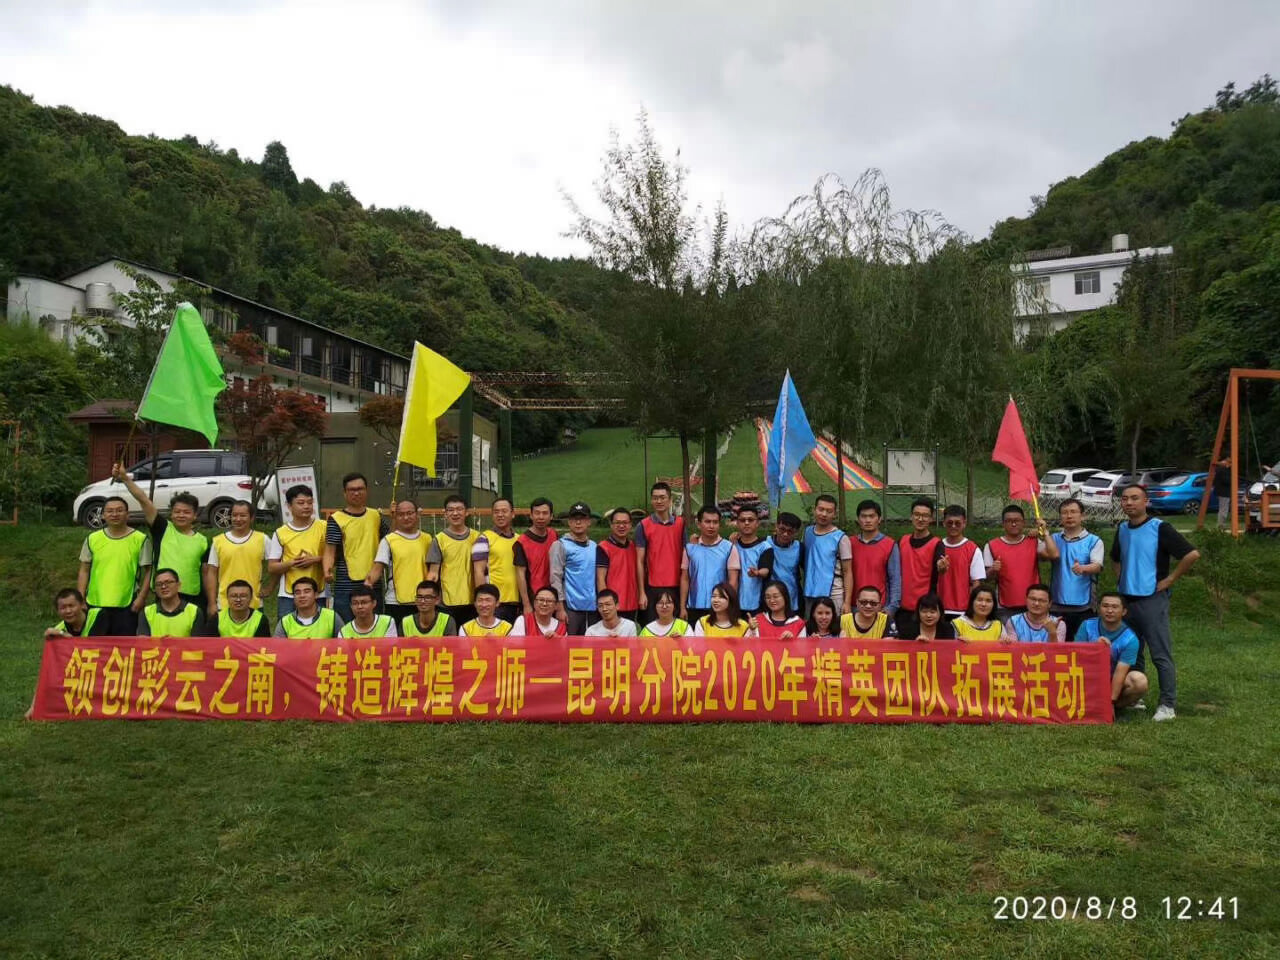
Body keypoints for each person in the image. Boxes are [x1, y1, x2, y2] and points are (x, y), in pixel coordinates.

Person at [1111, 483, 1200, 722]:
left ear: (1146, 501)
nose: (1129, 503)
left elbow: (1191, 554)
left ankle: (1167, 704)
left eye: (1135, 498)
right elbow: (1115, 558)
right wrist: (1120, 579)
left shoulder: (1160, 528)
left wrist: (1170, 579)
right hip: (1127, 600)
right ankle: (1136, 697)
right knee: (1132, 650)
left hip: (1152, 599)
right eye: (1125, 499)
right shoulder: (1122, 529)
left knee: (1160, 653)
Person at [114, 463, 208, 606]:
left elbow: (206, 574)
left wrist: (211, 602)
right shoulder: (162, 528)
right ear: (171, 513)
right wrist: (125, 478)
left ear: (195, 515)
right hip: (164, 593)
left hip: (193, 596)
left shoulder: (203, 541)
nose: (181, 515)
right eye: (177, 512)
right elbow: (143, 500)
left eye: (186, 512)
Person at [78, 495, 153, 635]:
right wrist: (80, 598)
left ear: (127, 514)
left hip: (127, 604)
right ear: (103, 515)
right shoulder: (92, 539)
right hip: (95, 603)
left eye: (119, 510)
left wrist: (141, 598)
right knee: (96, 646)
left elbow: (149, 571)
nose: (114, 514)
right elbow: (84, 570)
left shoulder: (140, 539)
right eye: (110, 511)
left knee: (124, 646)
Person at [324, 472, 389, 625]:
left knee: (374, 626)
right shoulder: (336, 519)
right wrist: (327, 570)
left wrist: (395, 515)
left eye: (360, 489)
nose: (356, 493)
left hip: (373, 581)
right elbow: (330, 550)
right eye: (352, 490)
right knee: (345, 626)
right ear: (344, 493)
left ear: (367, 491)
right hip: (346, 583)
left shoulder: (376, 516)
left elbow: (390, 539)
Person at [1041, 498, 1105, 641]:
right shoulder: (1053, 539)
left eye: (1073, 512)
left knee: (1083, 646)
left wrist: (1083, 568)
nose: (1069, 516)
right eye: (1064, 513)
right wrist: (1040, 533)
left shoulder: (1094, 541)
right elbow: (1042, 554)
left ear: (1082, 516)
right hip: (1057, 604)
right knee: (1058, 645)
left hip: (1084, 606)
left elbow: (1097, 566)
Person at [1076, 592, 1149, 711]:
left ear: (1124, 611)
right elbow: (1076, 656)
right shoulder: (1087, 626)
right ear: (1099, 608)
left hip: (1111, 679)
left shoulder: (1130, 639)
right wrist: (1094, 648)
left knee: (1139, 681)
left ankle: (1115, 706)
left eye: (1115, 607)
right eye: (1105, 606)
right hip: (1087, 676)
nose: (1109, 610)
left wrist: (1111, 702)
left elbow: (1120, 673)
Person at [983, 504, 1055, 621]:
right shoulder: (991, 545)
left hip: (1033, 604)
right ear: (1003, 523)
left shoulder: (1033, 542)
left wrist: (1044, 532)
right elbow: (986, 578)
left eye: (1017, 520)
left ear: (1024, 522)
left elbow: (1053, 555)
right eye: (1009, 521)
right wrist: (993, 570)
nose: (1013, 524)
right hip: (1005, 605)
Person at [266, 484, 327, 619]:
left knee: (320, 629)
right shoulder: (281, 533)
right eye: (301, 503)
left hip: (318, 592)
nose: (306, 506)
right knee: (286, 629)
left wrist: (315, 559)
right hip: (289, 595)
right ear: (289, 506)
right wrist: (292, 563)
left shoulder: (324, 527)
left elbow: (336, 557)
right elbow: (272, 567)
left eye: (309, 502)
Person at [367, 499, 429, 625]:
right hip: (395, 602)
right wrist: (366, 586)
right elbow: (377, 569)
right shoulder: (388, 540)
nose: (406, 517)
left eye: (410, 513)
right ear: (395, 516)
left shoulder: (427, 539)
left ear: (417, 514)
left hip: (423, 601)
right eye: (401, 514)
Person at [204, 501, 267, 618]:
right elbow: (211, 572)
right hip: (225, 603)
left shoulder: (262, 539)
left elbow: (275, 564)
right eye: (234, 515)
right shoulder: (218, 541)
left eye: (243, 515)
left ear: (251, 518)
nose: (238, 519)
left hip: (254, 602)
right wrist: (212, 603)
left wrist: (270, 587)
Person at [635, 482, 686, 622]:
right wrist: (641, 592)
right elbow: (639, 561)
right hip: (652, 587)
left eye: (662, 497)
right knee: (652, 628)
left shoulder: (680, 524)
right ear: (651, 500)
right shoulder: (643, 525)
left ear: (670, 500)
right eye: (655, 498)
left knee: (675, 629)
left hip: (676, 586)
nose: (659, 501)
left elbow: (686, 555)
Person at [427, 494, 480, 626]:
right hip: (446, 603)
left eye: (459, 509)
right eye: (450, 510)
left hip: (473, 602)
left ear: (466, 512)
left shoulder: (477, 537)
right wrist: (428, 596)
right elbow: (433, 573)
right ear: (445, 514)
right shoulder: (439, 539)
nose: (455, 513)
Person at [681, 505, 740, 624]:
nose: (711, 526)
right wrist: (682, 607)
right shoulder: (689, 548)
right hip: (694, 606)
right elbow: (685, 578)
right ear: (699, 524)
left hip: (720, 608)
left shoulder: (729, 548)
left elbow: (733, 580)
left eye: (715, 522)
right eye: (707, 522)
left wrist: (730, 606)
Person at [550, 501, 599, 634]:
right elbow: (555, 578)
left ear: (589, 522)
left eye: (582, 519)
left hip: (592, 607)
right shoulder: (560, 545)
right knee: (570, 643)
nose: (578, 522)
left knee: (591, 643)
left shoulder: (594, 546)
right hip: (570, 607)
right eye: (574, 519)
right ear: (569, 522)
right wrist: (560, 608)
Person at [802, 494, 853, 617]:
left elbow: (847, 571)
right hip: (810, 591)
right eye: (821, 509)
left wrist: (847, 602)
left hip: (833, 593)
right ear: (814, 510)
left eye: (829, 511)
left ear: (835, 514)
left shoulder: (841, 538)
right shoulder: (807, 532)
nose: (824, 514)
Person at [849, 500, 901, 620]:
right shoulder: (849, 543)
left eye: (872, 516)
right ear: (858, 519)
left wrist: (892, 607)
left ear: (879, 519)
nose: (868, 520)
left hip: (880, 607)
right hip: (854, 607)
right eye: (864, 516)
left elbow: (895, 579)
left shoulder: (889, 544)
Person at [472, 497, 521, 623]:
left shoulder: (519, 539)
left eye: (504, 511)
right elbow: (478, 571)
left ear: (513, 514)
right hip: (495, 605)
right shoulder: (484, 539)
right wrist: (484, 601)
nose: (500, 515)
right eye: (496, 512)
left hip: (516, 602)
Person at [896, 498, 940, 639]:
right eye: (917, 514)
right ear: (911, 516)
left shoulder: (936, 544)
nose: (920, 519)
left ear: (931, 519)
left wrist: (942, 568)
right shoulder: (902, 541)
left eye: (925, 515)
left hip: (925, 610)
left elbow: (940, 571)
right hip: (902, 608)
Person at [935, 505, 986, 618]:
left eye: (957, 523)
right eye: (950, 523)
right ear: (944, 523)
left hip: (963, 611)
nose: (953, 526)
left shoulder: (972, 549)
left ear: (964, 523)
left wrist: (972, 609)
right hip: (938, 609)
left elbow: (976, 583)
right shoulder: (936, 546)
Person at [513, 497, 558, 620]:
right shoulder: (522, 542)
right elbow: (520, 574)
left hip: (553, 596)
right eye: (537, 513)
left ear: (551, 516)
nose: (541, 517)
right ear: (531, 515)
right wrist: (526, 604)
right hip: (534, 598)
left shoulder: (554, 535)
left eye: (545, 513)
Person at [596, 508, 640, 622]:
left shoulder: (633, 546)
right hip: (613, 606)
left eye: (625, 523)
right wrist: (605, 604)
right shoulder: (604, 547)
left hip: (631, 603)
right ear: (611, 525)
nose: (621, 526)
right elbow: (600, 578)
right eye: (617, 523)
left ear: (630, 525)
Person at [138, 567, 206, 637]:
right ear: (154, 589)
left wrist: (173, 642)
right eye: (159, 584)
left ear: (178, 585)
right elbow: (142, 641)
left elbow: (197, 642)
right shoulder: (146, 612)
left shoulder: (194, 612)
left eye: (168, 582)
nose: (163, 586)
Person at [759, 512, 804, 610]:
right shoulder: (763, 543)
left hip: (792, 597)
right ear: (776, 526)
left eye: (790, 531)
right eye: (782, 529)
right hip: (769, 598)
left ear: (796, 532)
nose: (785, 534)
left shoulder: (799, 548)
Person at [732, 505, 772, 615]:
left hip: (757, 604)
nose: (746, 523)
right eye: (742, 520)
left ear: (757, 523)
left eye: (750, 520)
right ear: (737, 523)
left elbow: (766, 570)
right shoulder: (732, 545)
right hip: (733, 602)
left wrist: (757, 573)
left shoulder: (765, 547)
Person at [275, 577, 343, 638]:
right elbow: (277, 646)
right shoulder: (285, 622)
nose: (302, 595)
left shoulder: (332, 617)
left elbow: (344, 643)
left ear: (316, 595)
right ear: (293, 597)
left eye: (307, 591)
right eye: (297, 592)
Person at [1000, 584, 1066, 643]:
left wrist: (1052, 632)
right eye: (1032, 599)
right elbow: (1013, 649)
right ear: (1026, 600)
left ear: (1049, 604)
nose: (1036, 603)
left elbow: (1058, 651)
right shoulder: (1013, 621)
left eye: (1041, 600)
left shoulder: (1058, 623)